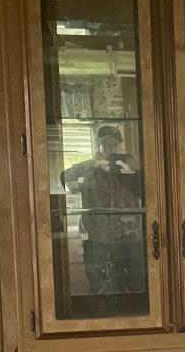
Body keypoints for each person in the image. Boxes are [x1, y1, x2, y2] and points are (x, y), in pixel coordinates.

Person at [62, 123, 145, 297]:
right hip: (97, 232)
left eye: (115, 145)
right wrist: (87, 177)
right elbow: (65, 178)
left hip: (126, 231)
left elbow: (145, 189)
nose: (111, 149)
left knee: (132, 278)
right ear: (98, 145)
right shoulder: (88, 167)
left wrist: (132, 170)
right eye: (106, 144)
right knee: (98, 279)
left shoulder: (128, 166)